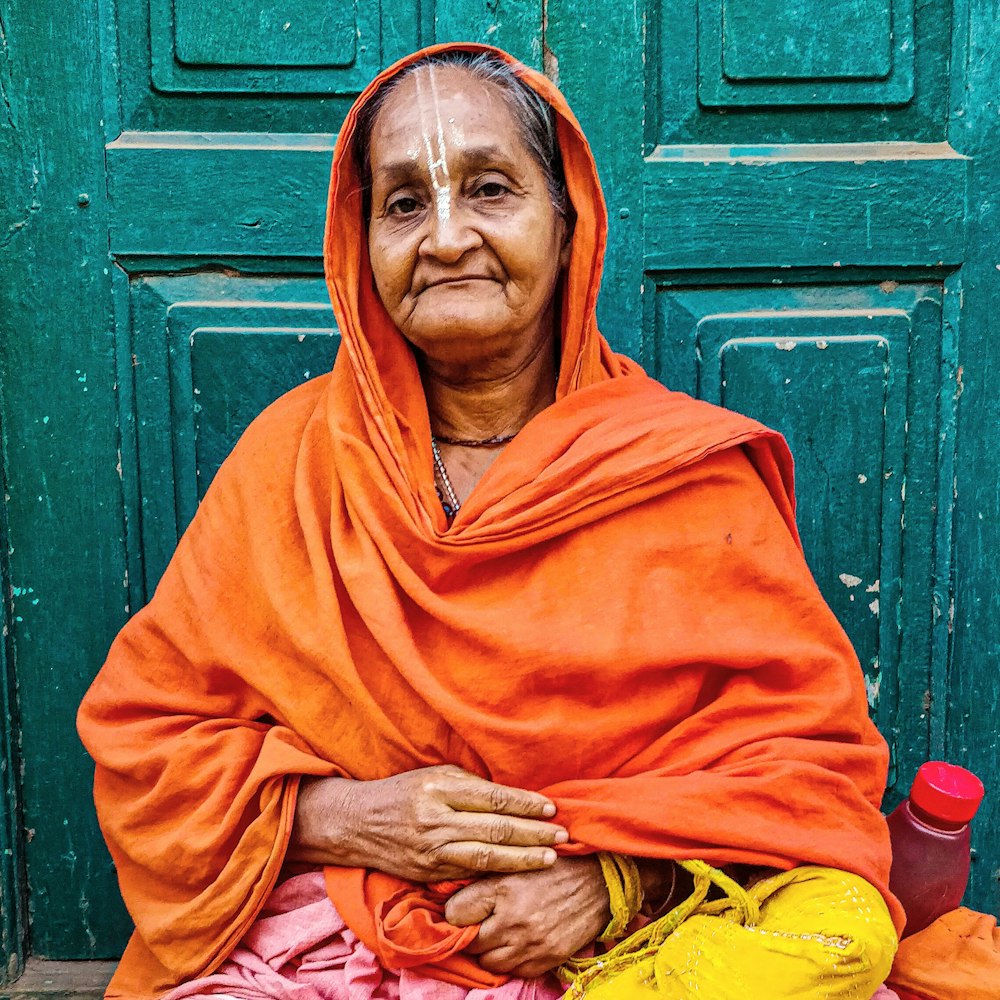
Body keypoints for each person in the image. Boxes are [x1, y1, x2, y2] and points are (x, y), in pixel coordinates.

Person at [77, 43, 902, 1000]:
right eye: (403, 205)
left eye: (491, 189)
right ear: (358, 246)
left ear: (569, 224)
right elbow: (149, 740)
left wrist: (615, 881)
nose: (446, 238)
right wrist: (342, 816)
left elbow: (808, 778)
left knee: (840, 944)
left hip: (644, 949)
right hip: (341, 930)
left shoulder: (684, 476)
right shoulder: (293, 462)